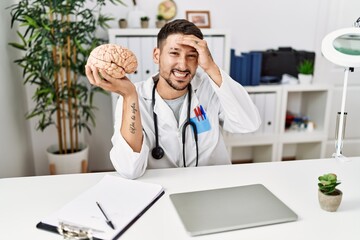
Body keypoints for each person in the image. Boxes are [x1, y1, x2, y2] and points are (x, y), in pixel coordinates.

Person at [85, 19, 261, 179]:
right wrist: (130, 96)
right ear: (157, 55)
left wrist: (211, 67)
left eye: (191, 55)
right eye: (174, 53)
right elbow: (129, 170)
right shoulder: (134, 96)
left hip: (212, 186)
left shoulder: (210, 88)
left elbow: (249, 124)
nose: (183, 65)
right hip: (162, 193)